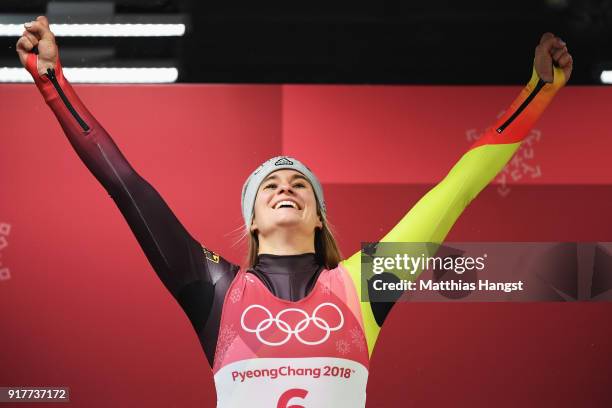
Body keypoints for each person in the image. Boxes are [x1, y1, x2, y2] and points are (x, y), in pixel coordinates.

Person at [17, 15, 573, 408]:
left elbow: (455, 189)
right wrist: (51, 83)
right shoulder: (213, 288)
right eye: (270, 186)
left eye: (299, 184)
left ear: (320, 217)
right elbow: (127, 186)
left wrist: (538, 92)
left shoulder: (362, 285)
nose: (286, 188)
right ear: (253, 220)